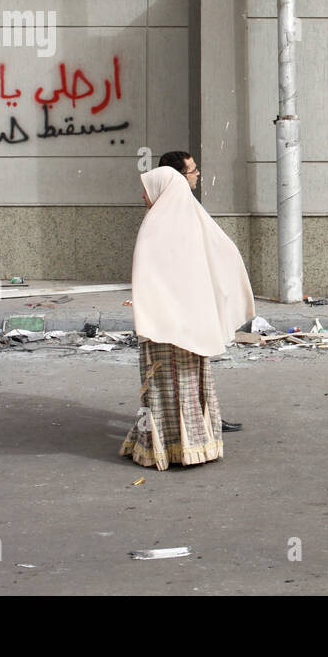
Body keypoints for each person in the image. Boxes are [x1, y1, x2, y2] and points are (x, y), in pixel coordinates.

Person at [119, 161, 255, 470]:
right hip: (193, 327)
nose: (143, 195)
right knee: (190, 384)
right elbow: (225, 257)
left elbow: (149, 275)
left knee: (163, 385)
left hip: (163, 326)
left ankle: (164, 446)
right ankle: (196, 443)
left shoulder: (155, 225)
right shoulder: (196, 221)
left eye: (147, 189)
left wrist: (148, 308)